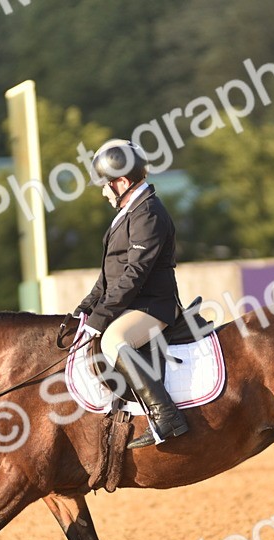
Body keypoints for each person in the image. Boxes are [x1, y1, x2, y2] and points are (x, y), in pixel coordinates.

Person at [72, 139, 188, 449]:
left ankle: (166, 416)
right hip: (134, 304)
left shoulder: (147, 213)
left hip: (153, 308)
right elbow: (110, 273)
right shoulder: (129, 210)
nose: (103, 191)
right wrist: (86, 308)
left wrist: (102, 317)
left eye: (105, 184)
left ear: (122, 181)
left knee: (112, 341)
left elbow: (134, 274)